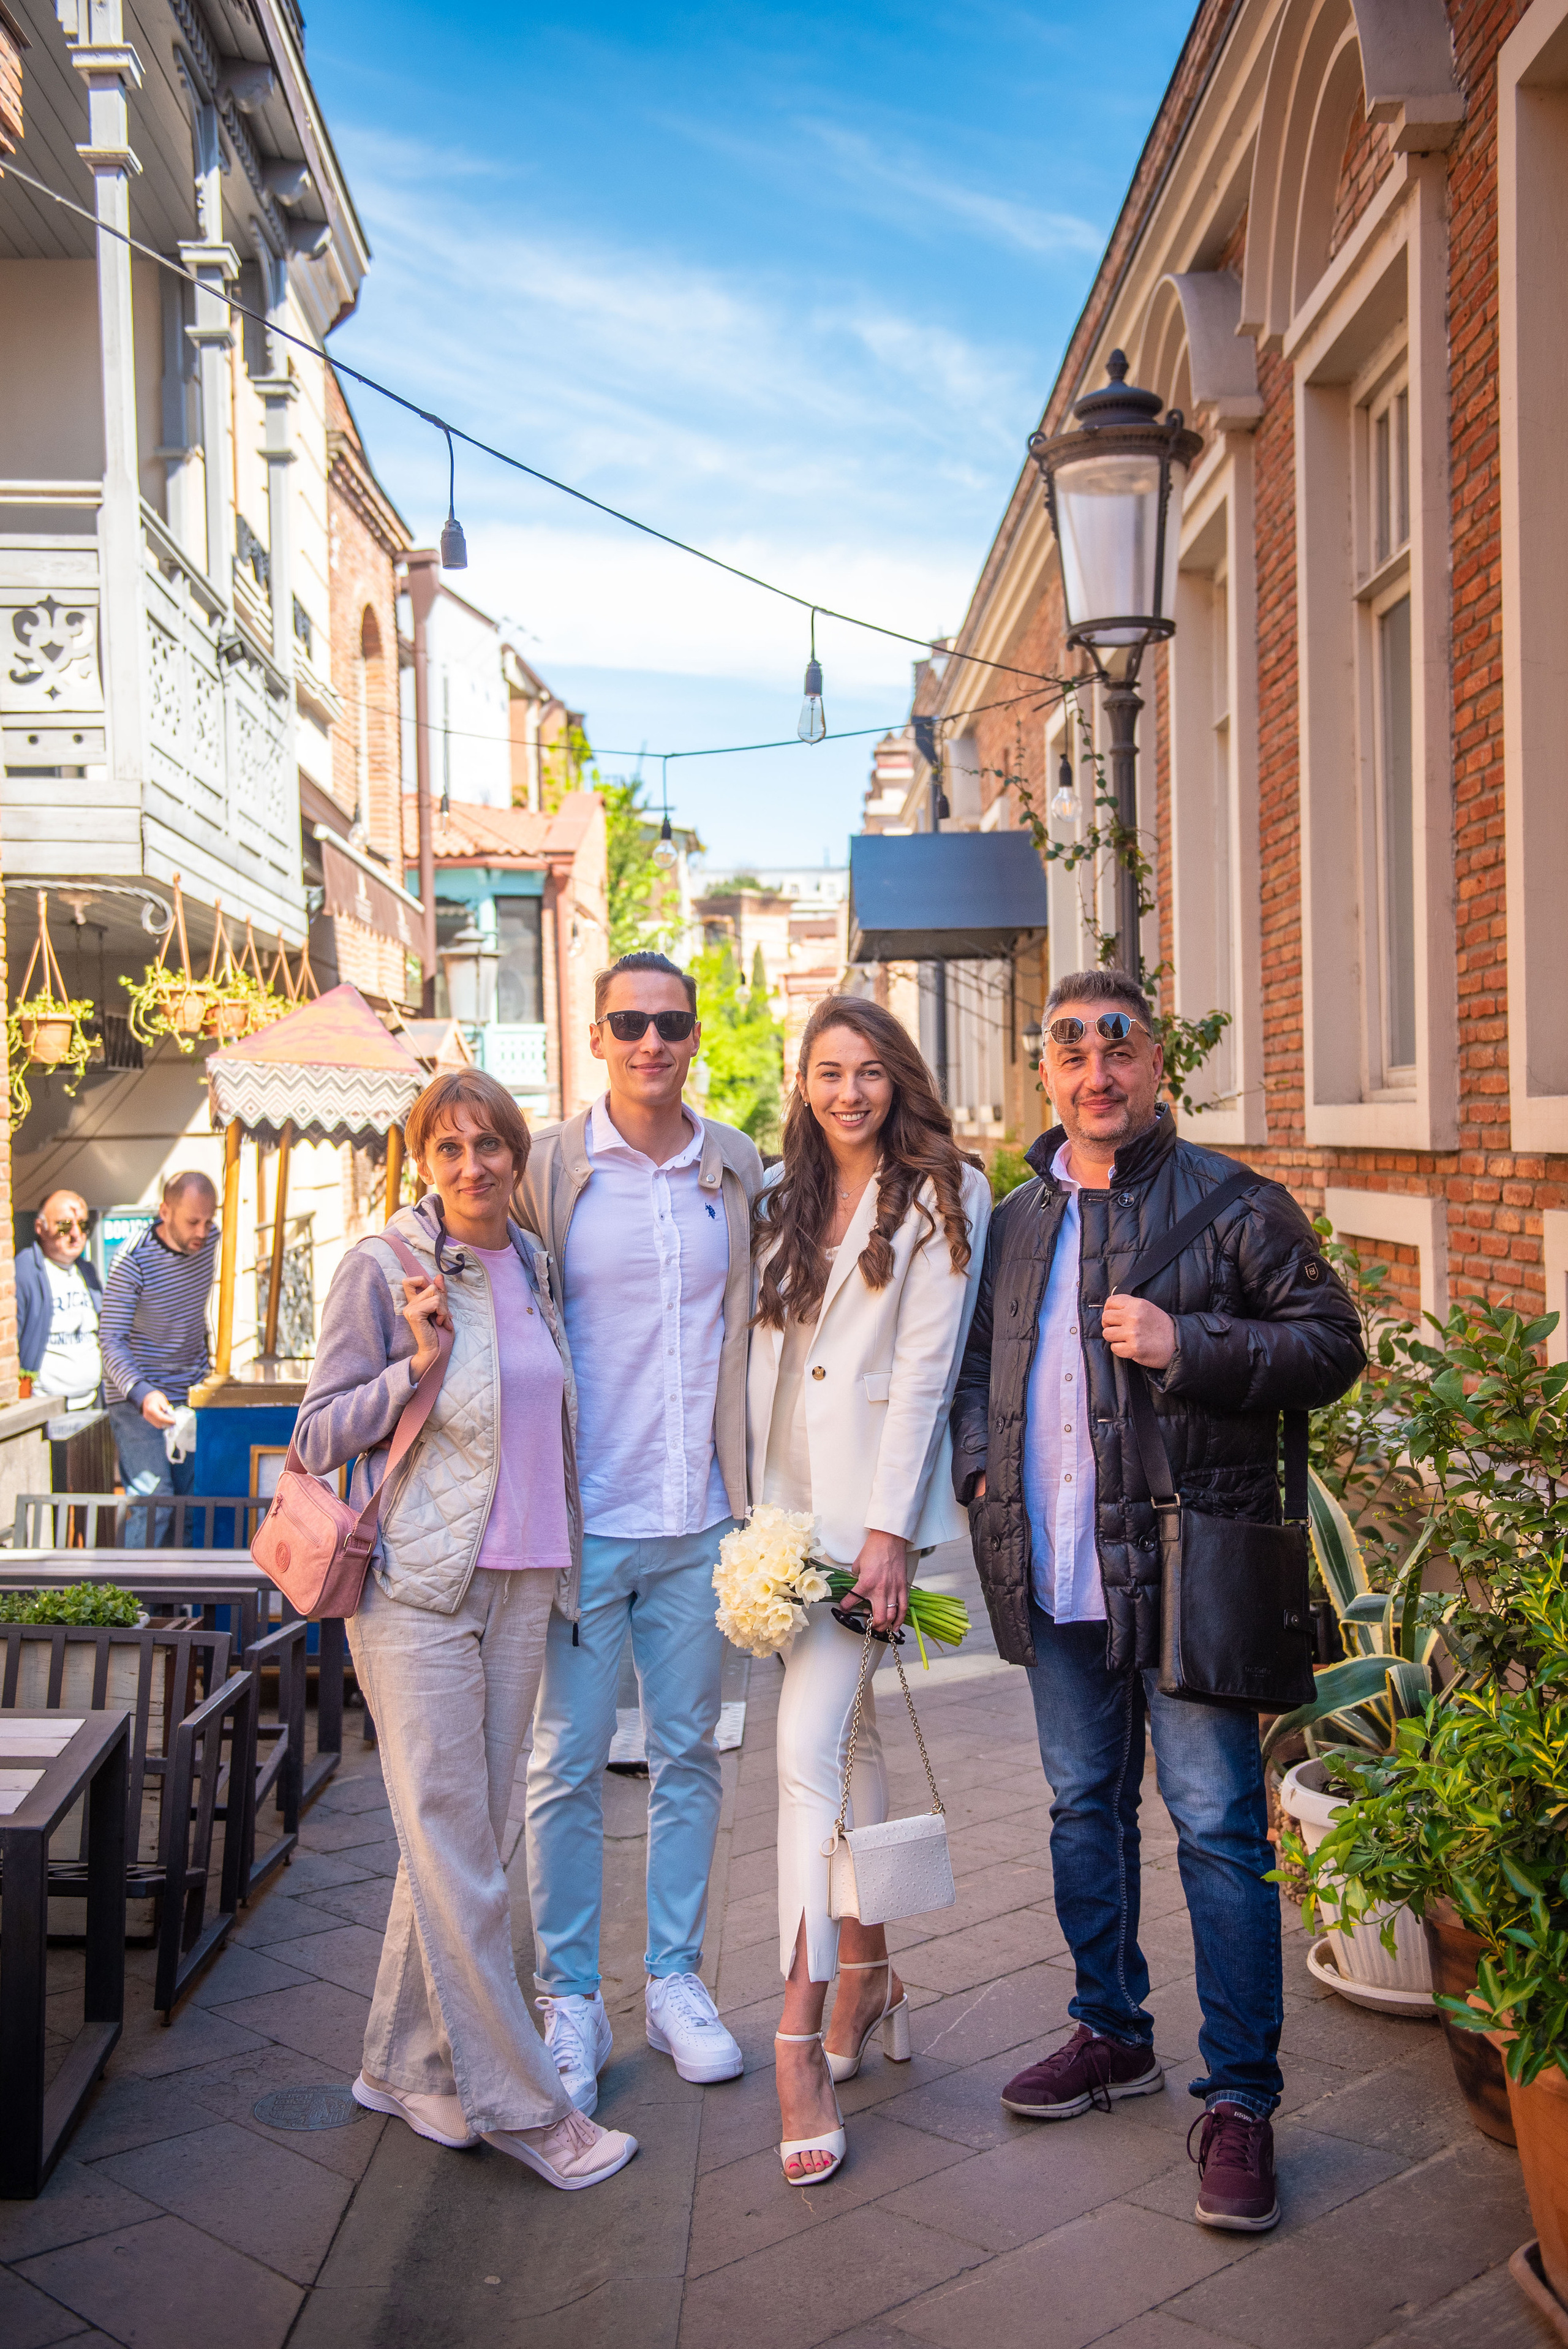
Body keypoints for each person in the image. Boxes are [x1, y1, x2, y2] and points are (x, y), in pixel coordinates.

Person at [950, 967, 1366, 2233]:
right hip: (1057, 1573)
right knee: (1082, 1808)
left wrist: (1192, 1345)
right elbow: (975, 1370)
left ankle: (1240, 2098)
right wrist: (981, 1474)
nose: (1097, 1071)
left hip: (1189, 1576)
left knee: (1218, 1830)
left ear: (1153, 1066)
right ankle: (1110, 2031)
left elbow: (1331, 1344)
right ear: (1045, 1072)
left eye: (1117, 1045)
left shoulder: (1234, 1204)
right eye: (1071, 1049)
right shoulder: (1013, 1222)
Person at [293, 1069, 636, 2192]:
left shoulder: (530, 1261)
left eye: (491, 1144)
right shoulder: (383, 1264)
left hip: (523, 1583)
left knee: (467, 1844)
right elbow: (314, 1435)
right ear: (422, 1160)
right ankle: (528, 2107)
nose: (473, 1164)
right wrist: (416, 1365)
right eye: (449, 1146)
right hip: (416, 1591)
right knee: (462, 1855)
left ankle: (401, 2065)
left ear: (516, 1155)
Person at [749, 995, 990, 2185]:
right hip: (777, 1522)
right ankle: (870, 1974)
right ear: (802, 1084)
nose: (849, 1092)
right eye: (828, 1071)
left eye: (869, 1071)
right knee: (846, 1748)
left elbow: (926, 1371)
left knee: (803, 1761)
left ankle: (795, 2043)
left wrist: (890, 1533)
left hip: (866, 1529)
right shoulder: (775, 1197)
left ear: (899, 1079)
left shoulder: (945, 1192)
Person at [521, 951, 764, 2113]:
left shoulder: (737, 1165)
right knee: (564, 1764)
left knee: (689, 1756)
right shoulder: (548, 1166)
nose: (650, 1041)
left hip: (698, 1518)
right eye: (629, 1022)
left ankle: (674, 1981)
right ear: (598, 1036)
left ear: (695, 1035)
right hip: (584, 1523)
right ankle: (569, 1996)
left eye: (670, 1023)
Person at [99, 1171, 219, 1522]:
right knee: (155, 1506)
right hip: (137, 1396)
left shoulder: (211, 1239)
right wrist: (142, 1394)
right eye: (193, 1222)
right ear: (165, 1212)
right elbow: (111, 1339)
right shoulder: (132, 1259)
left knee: (195, 1504)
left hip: (191, 1390)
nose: (203, 1232)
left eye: (209, 1221)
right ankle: (131, 1565)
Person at [17, 1190, 103, 1406]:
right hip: (45, 1409)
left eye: (83, 1225)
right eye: (64, 1226)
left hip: (91, 1403)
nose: (76, 1234)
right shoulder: (24, 1271)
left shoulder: (87, 1271)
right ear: (40, 1228)